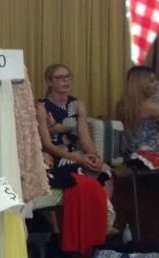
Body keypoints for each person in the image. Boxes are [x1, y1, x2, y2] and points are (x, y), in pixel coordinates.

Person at [36, 64, 115, 197]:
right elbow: (48, 145)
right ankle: (83, 214)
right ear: (49, 82)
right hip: (57, 156)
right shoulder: (41, 107)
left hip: (76, 152)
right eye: (60, 77)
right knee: (80, 172)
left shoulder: (77, 104)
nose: (66, 80)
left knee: (106, 172)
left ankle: (101, 215)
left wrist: (94, 156)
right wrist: (79, 159)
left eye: (68, 76)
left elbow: (85, 138)